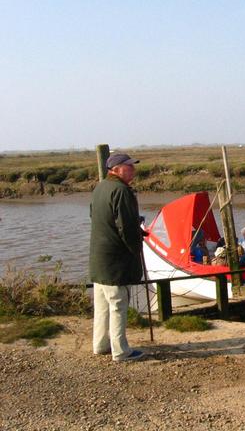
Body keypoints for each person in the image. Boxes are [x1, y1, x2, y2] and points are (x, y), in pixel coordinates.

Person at [89, 153, 144, 362]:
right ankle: (121, 351)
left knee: (102, 305)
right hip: (114, 260)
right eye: (129, 167)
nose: (133, 170)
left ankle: (100, 345)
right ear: (116, 169)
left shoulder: (100, 187)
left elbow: (98, 216)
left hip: (99, 258)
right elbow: (127, 227)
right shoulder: (121, 191)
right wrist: (136, 246)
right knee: (118, 304)